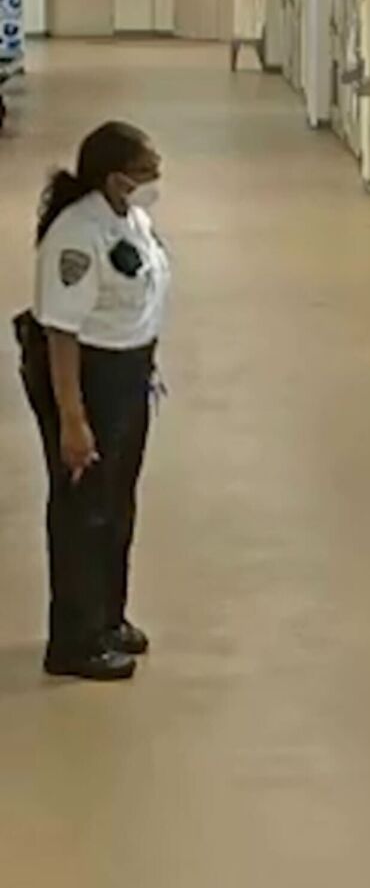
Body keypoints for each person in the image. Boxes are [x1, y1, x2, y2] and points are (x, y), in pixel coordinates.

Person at [14, 121, 170, 679]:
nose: (156, 177)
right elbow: (60, 331)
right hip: (85, 377)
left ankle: (108, 616)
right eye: (148, 168)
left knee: (117, 502)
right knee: (84, 509)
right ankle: (74, 641)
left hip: (127, 374)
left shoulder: (133, 218)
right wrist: (73, 420)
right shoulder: (75, 235)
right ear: (116, 175)